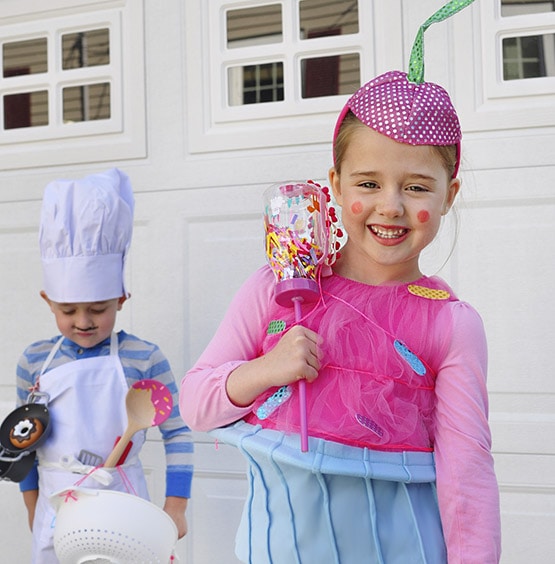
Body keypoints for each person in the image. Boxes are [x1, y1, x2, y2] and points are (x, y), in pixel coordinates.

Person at [180, 3, 500, 563]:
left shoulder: (451, 324)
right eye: (369, 182)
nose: (391, 206)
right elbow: (197, 404)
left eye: (418, 187)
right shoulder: (276, 291)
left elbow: (467, 473)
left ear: (450, 193)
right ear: (334, 183)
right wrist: (265, 369)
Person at [16, 168, 193, 562]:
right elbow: (21, 443)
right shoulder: (32, 362)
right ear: (47, 300)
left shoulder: (144, 357)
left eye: (98, 308)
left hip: (123, 508)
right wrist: (31, 504)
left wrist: (176, 506)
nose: (83, 321)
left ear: (121, 299)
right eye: (67, 310)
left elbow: (178, 433)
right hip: (54, 512)